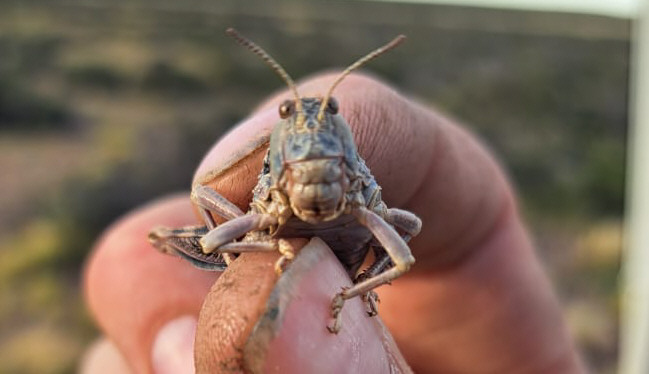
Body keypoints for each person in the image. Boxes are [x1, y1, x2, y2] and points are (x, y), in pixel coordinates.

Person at [81, 73, 586, 373]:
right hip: (271, 224)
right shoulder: (276, 154)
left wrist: (353, 291)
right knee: (181, 229)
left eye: (327, 114)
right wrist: (262, 247)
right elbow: (217, 211)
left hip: (354, 228)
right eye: (291, 114)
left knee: (405, 232)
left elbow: (401, 237)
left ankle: (354, 289)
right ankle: (257, 262)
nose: (310, 125)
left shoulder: (354, 147)